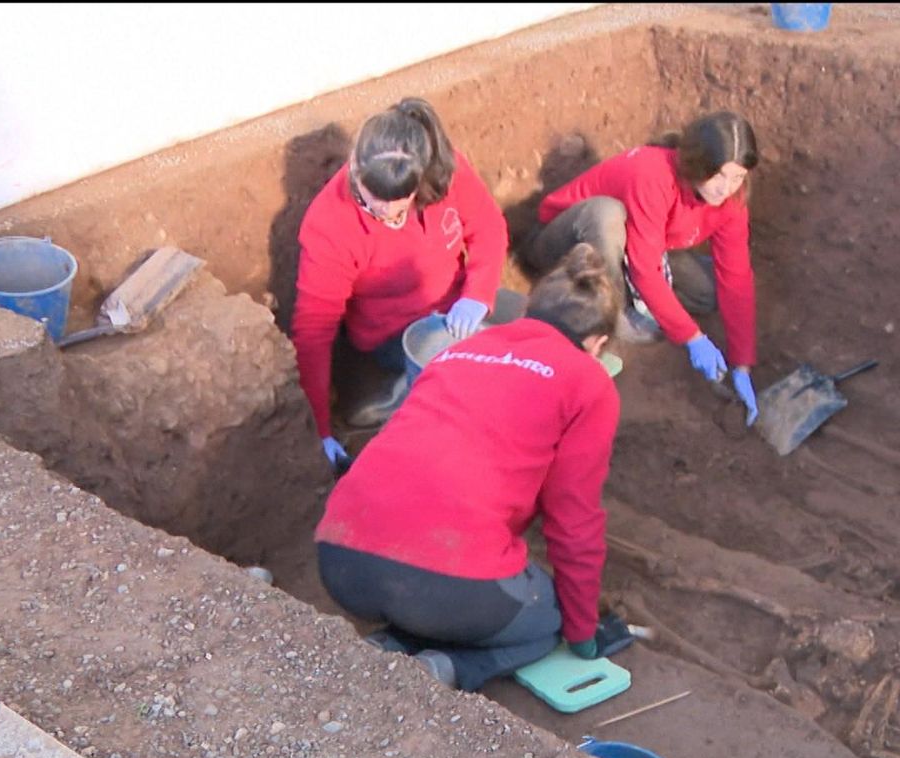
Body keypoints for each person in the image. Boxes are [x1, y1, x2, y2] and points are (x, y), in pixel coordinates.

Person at [315, 243, 622, 691]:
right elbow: (573, 520)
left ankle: (393, 644)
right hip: (449, 587)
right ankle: (448, 668)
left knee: (434, 585)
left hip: (341, 561)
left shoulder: (460, 350)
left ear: (529, 313)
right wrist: (581, 632)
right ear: (596, 343)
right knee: (549, 615)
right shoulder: (586, 379)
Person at [291, 97, 511, 473]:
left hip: (458, 307)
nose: (387, 217)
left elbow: (488, 229)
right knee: (464, 386)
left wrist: (478, 294)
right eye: (372, 203)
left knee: (531, 337)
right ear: (356, 168)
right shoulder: (330, 225)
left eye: (399, 206)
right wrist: (320, 429)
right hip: (393, 332)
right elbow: (313, 330)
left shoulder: (447, 170)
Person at [524, 111, 763, 425]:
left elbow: (735, 278)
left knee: (708, 293)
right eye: (718, 175)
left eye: (737, 177)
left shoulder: (731, 202)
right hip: (563, 245)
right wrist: (692, 337)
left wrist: (742, 363)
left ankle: (638, 299)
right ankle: (610, 313)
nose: (726, 188)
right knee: (605, 214)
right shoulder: (652, 175)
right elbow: (646, 270)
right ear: (697, 164)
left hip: (638, 241)